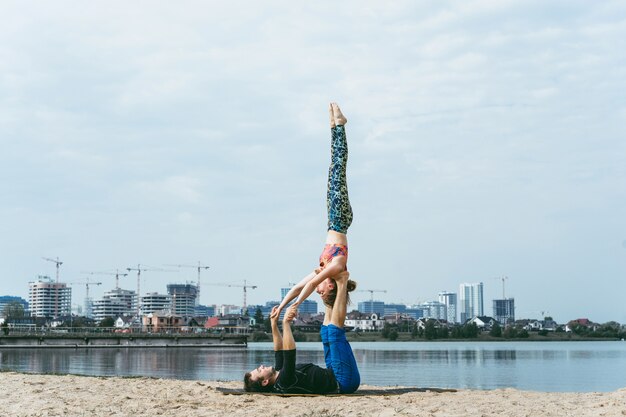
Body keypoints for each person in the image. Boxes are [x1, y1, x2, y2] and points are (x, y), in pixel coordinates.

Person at [272, 102, 357, 318]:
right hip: (340, 220)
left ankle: (333, 127)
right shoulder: (337, 267)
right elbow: (311, 286)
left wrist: (282, 306)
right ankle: (339, 126)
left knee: (332, 170)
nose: (318, 290)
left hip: (332, 220)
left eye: (318, 292)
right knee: (338, 168)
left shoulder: (323, 267)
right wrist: (297, 306)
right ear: (330, 287)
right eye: (322, 292)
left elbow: (300, 287)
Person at [244, 271, 360, 394]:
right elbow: (289, 353)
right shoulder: (284, 382)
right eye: (259, 370)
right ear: (265, 382)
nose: (261, 366)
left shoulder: (279, 375)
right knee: (334, 332)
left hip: (333, 371)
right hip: (342, 381)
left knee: (325, 332)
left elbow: (279, 350)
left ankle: (329, 284)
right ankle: (342, 282)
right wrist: (285, 323)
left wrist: (273, 324)